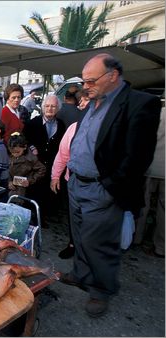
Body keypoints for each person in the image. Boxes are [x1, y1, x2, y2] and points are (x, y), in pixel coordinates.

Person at [62, 53, 161, 318]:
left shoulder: (139, 104)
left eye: (91, 80)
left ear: (113, 76)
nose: (86, 86)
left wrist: (110, 185)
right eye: (84, 81)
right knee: (80, 236)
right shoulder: (93, 102)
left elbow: (138, 156)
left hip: (101, 187)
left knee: (99, 242)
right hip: (77, 183)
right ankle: (81, 274)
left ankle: (101, 290)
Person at [23, 94, 66, 228]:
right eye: (47, 106)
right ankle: (32, 217)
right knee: (34, 190)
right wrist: (31, 147)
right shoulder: (33, 123)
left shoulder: (61, 125)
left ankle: (43, 216)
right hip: (35, 165)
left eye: (53, 106)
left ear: (58, 108)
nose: (50, 109)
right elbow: (24, 139)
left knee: (46, 192)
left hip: (52, 165)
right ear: (42, 108)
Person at [133, 105, 165, 258]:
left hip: (150, 167)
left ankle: (137, 238)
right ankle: (161, 247)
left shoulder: (157, 113)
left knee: (143, 204)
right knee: (163, 210)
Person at [50, 122, 79, 259]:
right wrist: (55, 176)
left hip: (97, 185)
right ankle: (73, 244)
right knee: (73, 215)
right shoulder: (74, 127)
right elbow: (63, 154)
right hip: (72, 180)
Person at [8, 132, 46, 198]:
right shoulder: (11, 156)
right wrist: (9, 182)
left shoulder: (30, 159)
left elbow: (42, 169)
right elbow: (8, 171)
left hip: (27, 192)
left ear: (25, 147)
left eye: (17, 152)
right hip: (13, 190)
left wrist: (30, 180)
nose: (15, 154)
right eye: (12, 152)